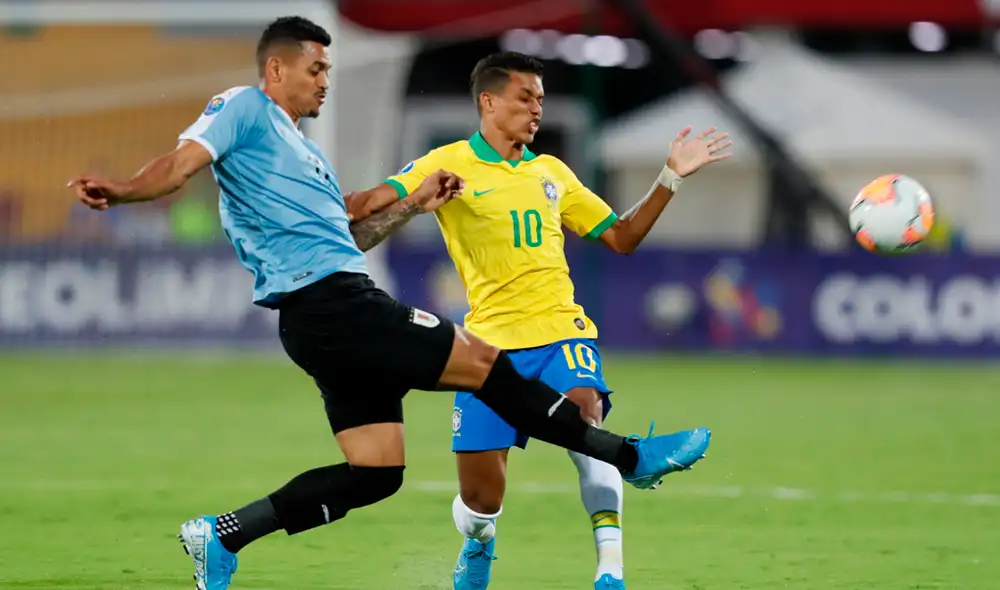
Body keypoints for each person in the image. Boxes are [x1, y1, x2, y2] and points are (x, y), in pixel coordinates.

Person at [68, 19, 711, 590]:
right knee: (485, 363)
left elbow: (355, 233)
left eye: (329, 69)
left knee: (376, 472)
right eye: (316, 68)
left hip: (319, 317)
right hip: (337, 305)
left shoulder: (304, 155)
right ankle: (630, 457)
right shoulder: (243, 108)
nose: (325, 81)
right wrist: (122, 190)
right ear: (276, 69)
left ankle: (222, 535)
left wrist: (412, 205)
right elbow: (179, 165)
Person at [348, 52, 732, 590]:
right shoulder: (449, 162)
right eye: (525, 97)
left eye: (540, 100)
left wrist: (670, 176)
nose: (536, 109)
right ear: (488, 101)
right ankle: (478, 544)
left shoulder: (552, 172)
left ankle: (610, 570)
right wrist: (367, 204)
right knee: (482, 501)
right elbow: (367, 205)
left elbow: (621, 237)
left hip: (561, 332)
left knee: (584, 417)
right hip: (485, 351)